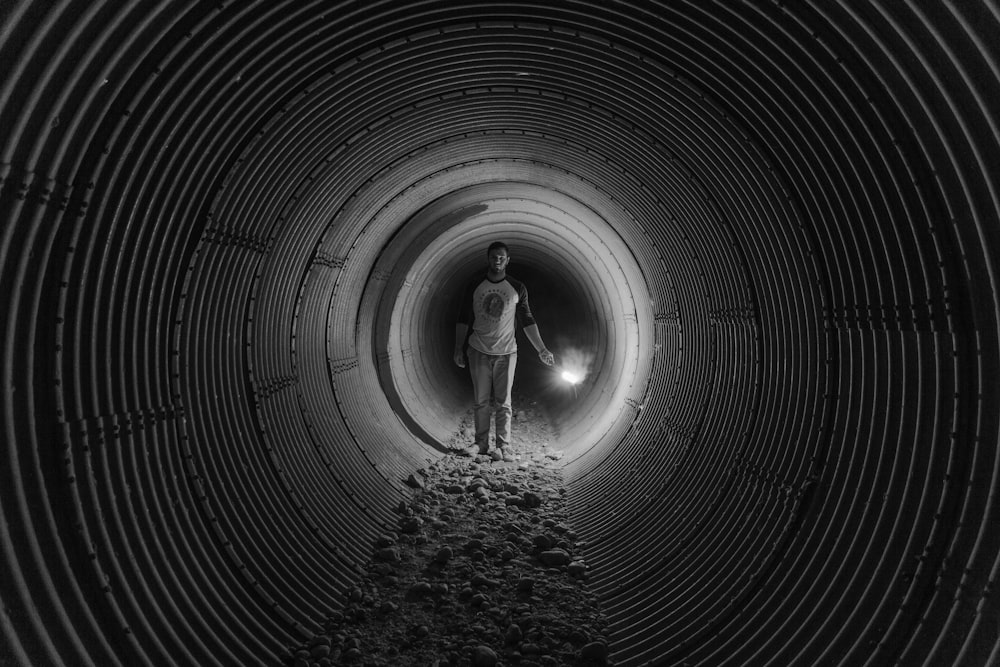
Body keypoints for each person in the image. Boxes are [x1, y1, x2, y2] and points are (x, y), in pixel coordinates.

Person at [454, 241, 554, 459]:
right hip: (478, 349)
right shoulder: (475, 284)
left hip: (507, 353)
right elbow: (463, 317)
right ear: (488, 259)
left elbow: (527, 320)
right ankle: (480, 444)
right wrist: (458, 348)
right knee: (481, 401)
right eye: (493, 257)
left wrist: (542, 349)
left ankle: (504, 446)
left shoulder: (517, 287)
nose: (497, 260)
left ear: (507, 260)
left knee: (503, 402)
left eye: (501, 257)